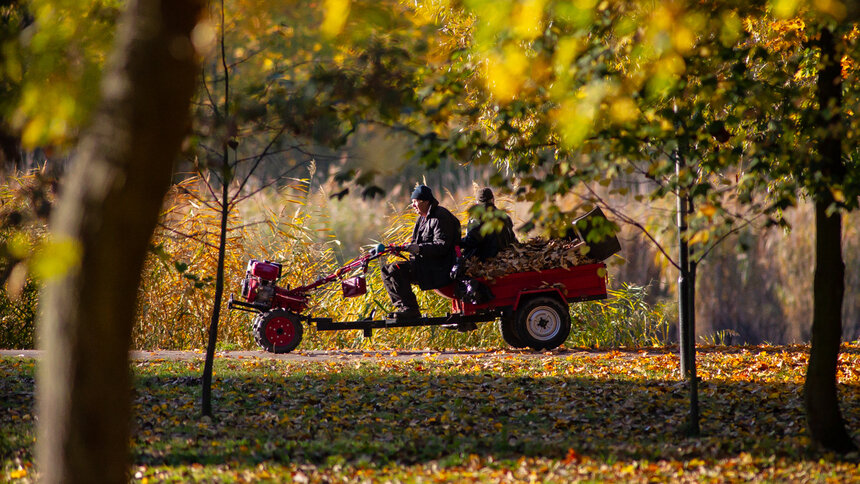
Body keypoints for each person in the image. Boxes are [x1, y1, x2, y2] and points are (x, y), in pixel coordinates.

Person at [381, 185, 461, 319]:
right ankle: (403, 307)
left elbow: (442, 246)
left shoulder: (440, 217)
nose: (412, 205)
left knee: (396, 269)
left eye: (415, 201)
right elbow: (416, 243)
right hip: (425, 264)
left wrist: (420, 248)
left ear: (425, 201)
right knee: (386, 270)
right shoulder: (421, 219)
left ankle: (411, 309)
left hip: (440, 268)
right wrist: (402, 249)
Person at [460, 187, 517, 261]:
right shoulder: (505, 217)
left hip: (486, 263)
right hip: (506, 260)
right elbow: (513, 240)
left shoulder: (477, 218)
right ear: (493, 200)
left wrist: (458, 242)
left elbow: (471, 240)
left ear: (477, 203)